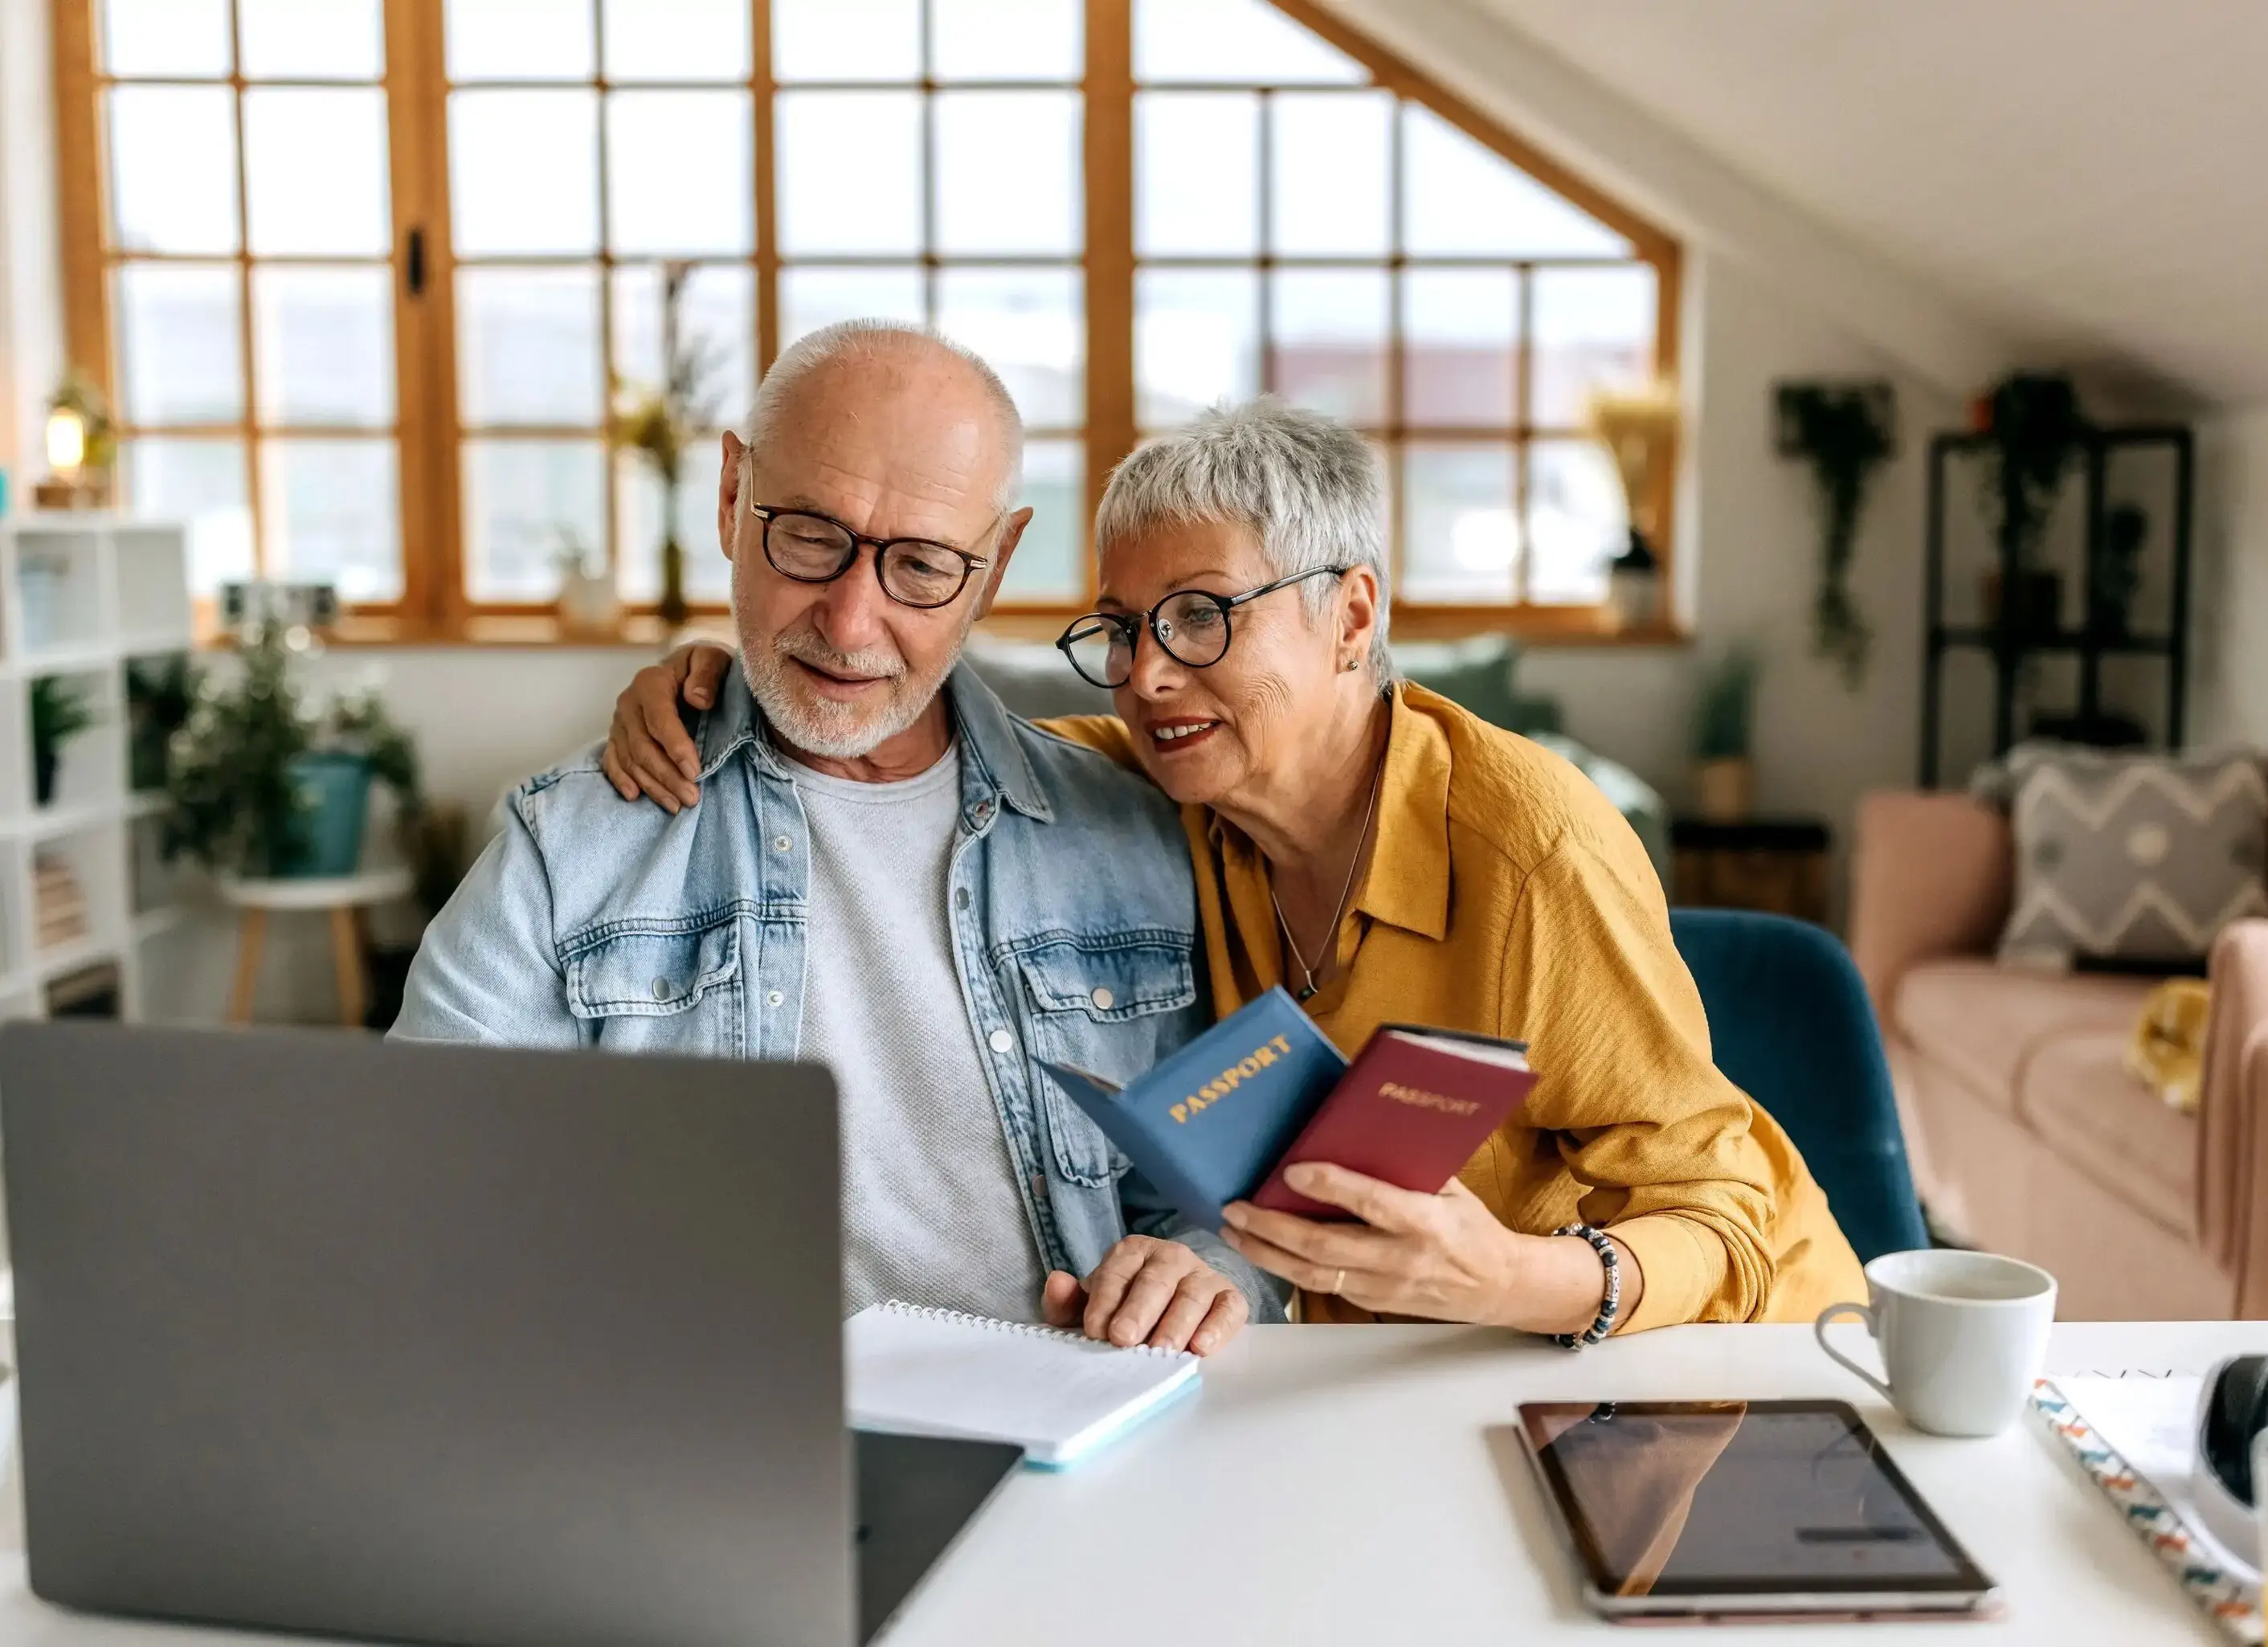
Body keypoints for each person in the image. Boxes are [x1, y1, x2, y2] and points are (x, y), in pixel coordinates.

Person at [604, 398, 1866, 1341]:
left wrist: (1506, 1279)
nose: (1152, 674)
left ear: (1354, 616)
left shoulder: (1533, 851)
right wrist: (709, 674)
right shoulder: (1162, 783)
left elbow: (1725, 1210)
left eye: (1205, 615)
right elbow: (900, 723)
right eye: (1125, 627)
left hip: (1702, 1372)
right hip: (1388, 1381)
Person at [393, 322, 1282, 1357]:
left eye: (921, 567)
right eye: (810, 537)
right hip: (712, 1435)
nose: (853, 623)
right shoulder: (569, 852)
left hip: (1071, 1434)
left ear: (992, 567)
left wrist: (1211, 1267)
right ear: (732, 497)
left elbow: (1231, 1201)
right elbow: (424, 1202)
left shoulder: (1135, 836)